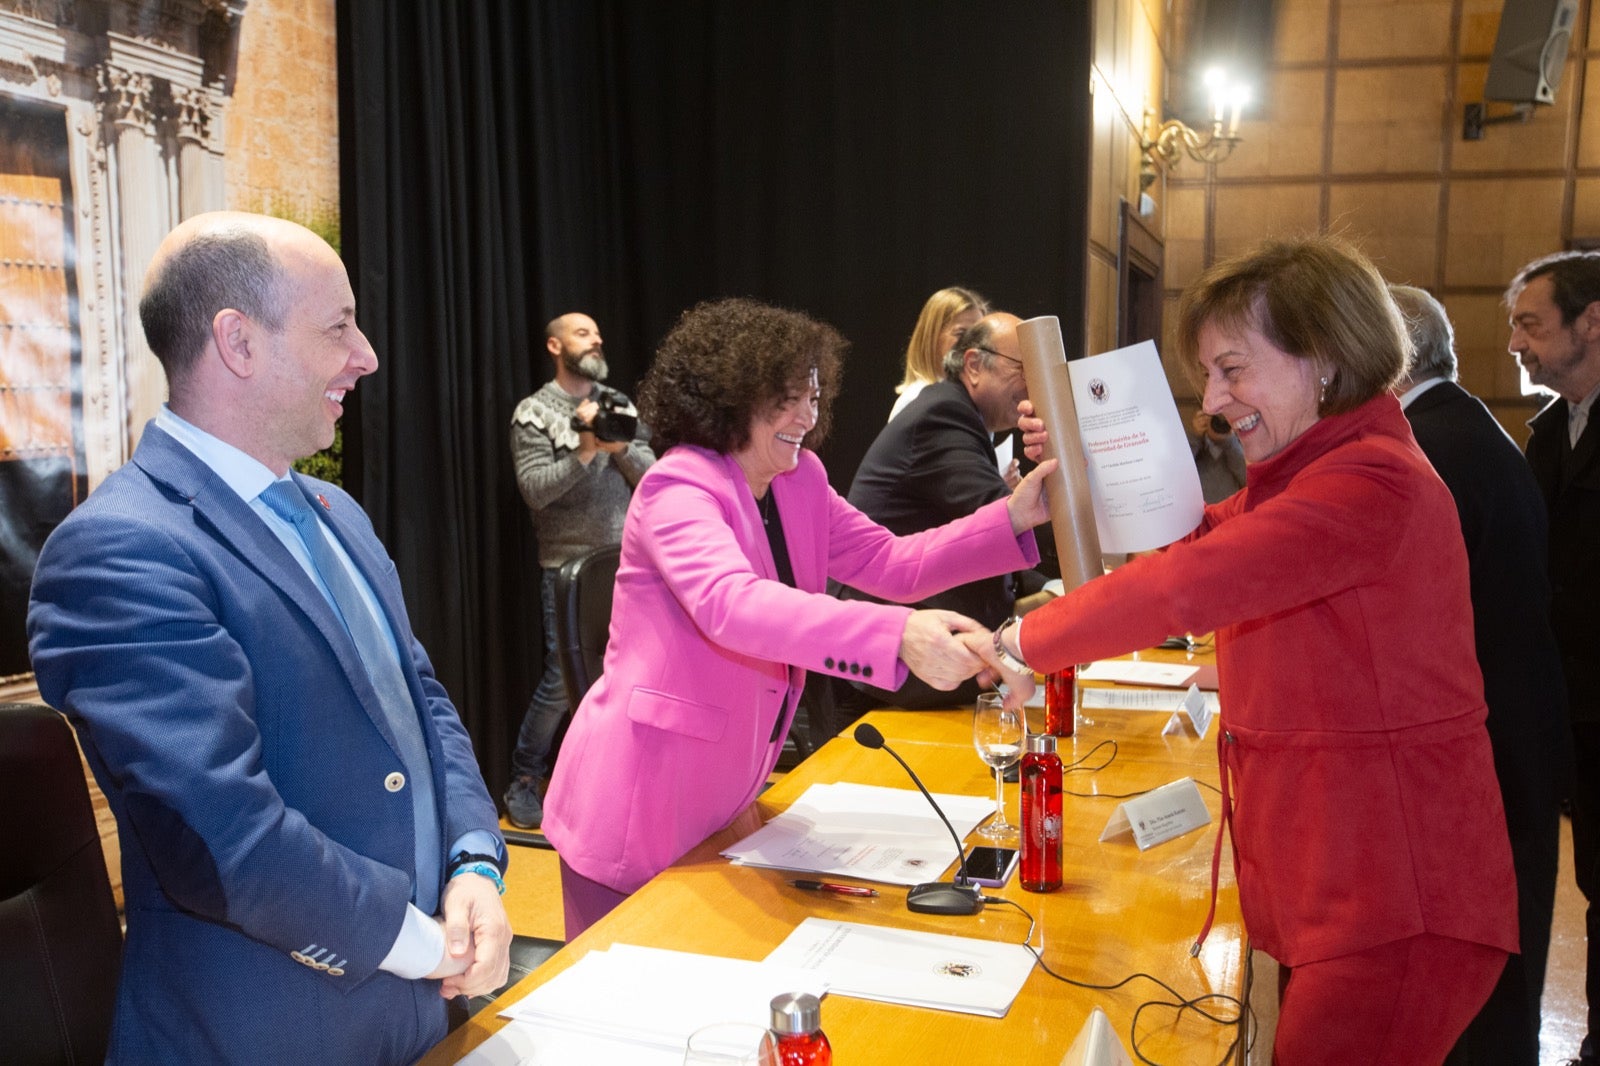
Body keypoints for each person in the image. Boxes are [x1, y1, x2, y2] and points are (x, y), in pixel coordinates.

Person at [985, 237, 1517, 1064]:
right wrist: (1079, 466)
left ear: (1327, 360)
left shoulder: (1372, 483)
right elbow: (1187, 540)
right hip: (1356, 884)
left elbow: (1184, 585)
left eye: (1233, 369)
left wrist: (1024, 641)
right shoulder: (1321, 474)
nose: (1213, 402)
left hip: (1398, 897)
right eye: (1208, 376)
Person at [27, 212, 511, 1063]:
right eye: (338, 328)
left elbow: (420, 701)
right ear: (238, 343)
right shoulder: (121, 549)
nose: (365, 356)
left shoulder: (336, 513)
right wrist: (429, 947)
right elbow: (226, 840)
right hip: (266, 1033)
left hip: (418, 1016)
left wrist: (475, 862)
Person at [541, 296, 1054, 938]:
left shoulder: (799, 479)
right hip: (634, 813)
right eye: (787, 397)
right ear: (732, 397)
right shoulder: (679, 485)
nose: (806, 416)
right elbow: (733, 603)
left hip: (724, 805)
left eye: (813, 396)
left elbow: (892, 561)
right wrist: (895, 633)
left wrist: (1014, 515)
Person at [1389, 284, 1570, 1066]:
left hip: (1485, 748)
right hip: (1514, 729)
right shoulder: (1457, 426)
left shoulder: (1424, 446)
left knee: (1480, 984)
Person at [840, 311, 1050, 710]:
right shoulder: (943, 416)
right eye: (1024, 368)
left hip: (940, 667)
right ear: (973, 364)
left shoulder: (965, 419)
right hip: (898, 674)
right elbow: (1001, 516)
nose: (1032, 384)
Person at [1505, 251, 1600, 1066]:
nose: (1516, 344)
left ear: (1591, 322)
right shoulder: (1550, 431)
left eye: (1531, 324)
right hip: (1571, 703)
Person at [505, 312, 654, 828]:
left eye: (597, 331)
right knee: (561, 680)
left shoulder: (618, 403)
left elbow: (654, 477)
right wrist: (586, 452)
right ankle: (525, 776)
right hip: (567, 566)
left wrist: (620, 450)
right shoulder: (534, 412)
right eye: (582, 333)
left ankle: (613, 776)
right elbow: (536, 489)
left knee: (628, 671)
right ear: (555, 345)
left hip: (627, 561)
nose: (596, 338)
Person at [888, 285, 988, 421]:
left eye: (978, 336)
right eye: (961, 333)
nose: (974, 345)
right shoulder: (915, 399)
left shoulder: (973, 401)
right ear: (932, 337)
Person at [1189, 408, 1247, 503]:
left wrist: (1229, 441)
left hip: (1231, 513)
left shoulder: (1240, 443)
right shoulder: (1194, 445)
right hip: (1199, 514)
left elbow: (1247, 477)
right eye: (1215, 418)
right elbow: (1179, 474)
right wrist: (1195, 436)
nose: (1220, 423)